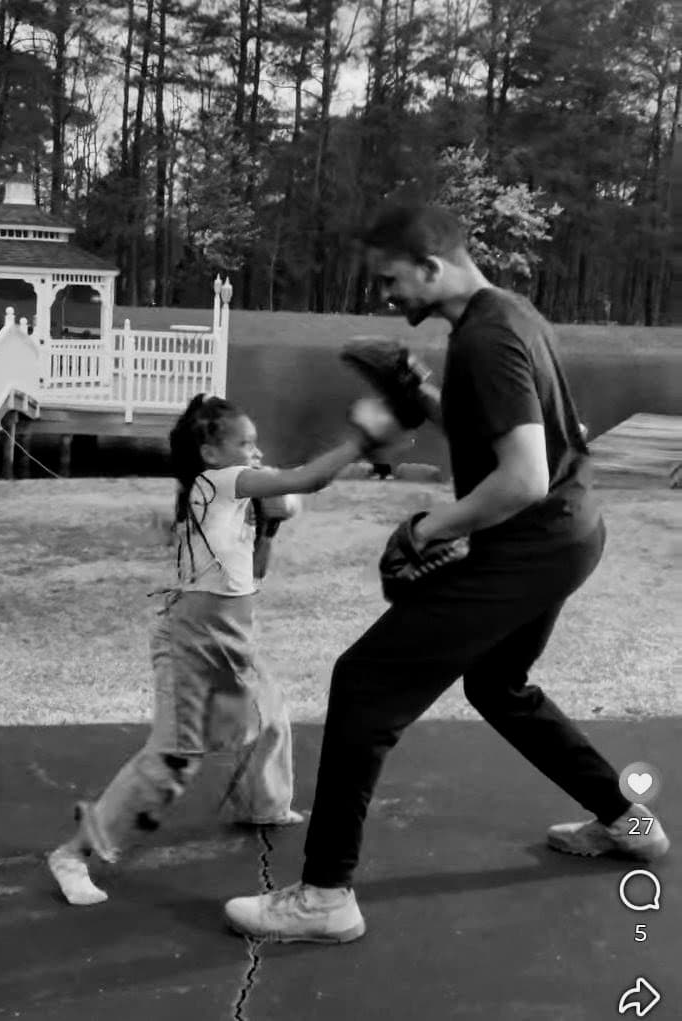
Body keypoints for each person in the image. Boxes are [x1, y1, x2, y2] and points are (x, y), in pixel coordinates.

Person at [224, 203, 670, 944]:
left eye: (390, 279)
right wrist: (417, 396)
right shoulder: (507, 315)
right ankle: (627, 817)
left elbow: (522, 476)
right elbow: (515, 435)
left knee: (365, 681)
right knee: (499, 685)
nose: (385, 296)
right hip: (569, 532)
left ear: (431, 267)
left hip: (532, 539)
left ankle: (326, 894)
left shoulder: (487, 337)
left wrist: (427, 527)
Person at [48, 392, 401, 906]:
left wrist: (270, 527)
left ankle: (263, 805)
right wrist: (360, 441)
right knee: (173, 759)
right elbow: (307, 480)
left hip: (232, 635)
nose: (256, 454)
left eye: (258, 444)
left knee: (270, 717)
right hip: (195, 638)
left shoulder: (232, 498)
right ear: (211, 454)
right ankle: (73, 856)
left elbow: (254, 573)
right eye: (247, 444)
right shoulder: (218, 482)